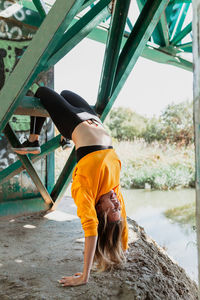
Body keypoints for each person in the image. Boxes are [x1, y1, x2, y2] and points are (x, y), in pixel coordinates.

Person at [13, 87, 128, 287]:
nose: (118, 203)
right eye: (119, 207)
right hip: (92, 122)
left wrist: (84, 276)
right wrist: (121, 248)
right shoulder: (113, 190)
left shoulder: (84, 190)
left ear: (99, 210)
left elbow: (91, 231)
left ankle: (33, 141)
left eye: (113, 208)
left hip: (75, 126)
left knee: (40, 92)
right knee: (66, 93)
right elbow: (120, 225)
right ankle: (66, 141)